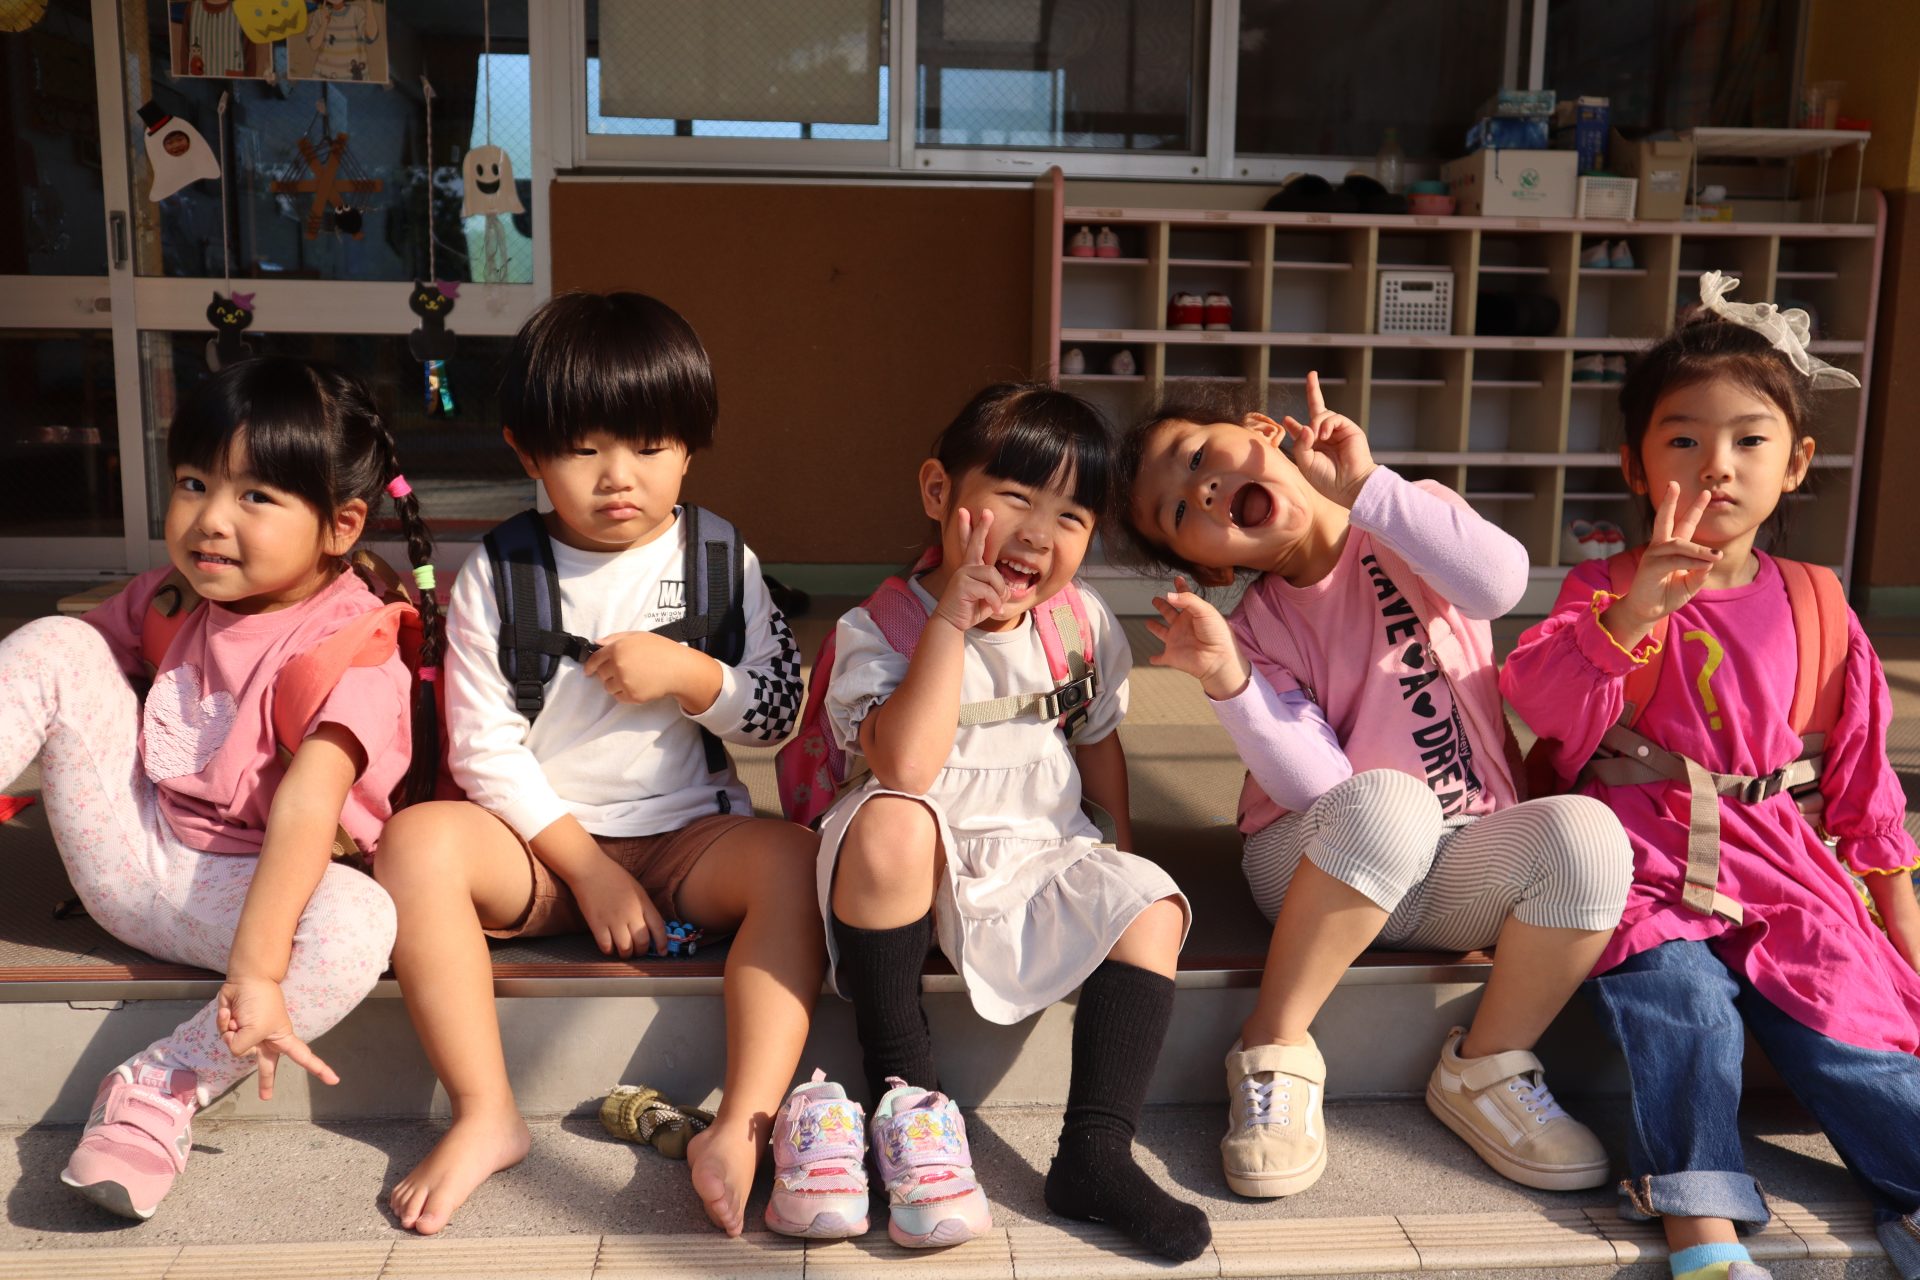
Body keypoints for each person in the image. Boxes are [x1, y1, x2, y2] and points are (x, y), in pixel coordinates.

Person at [1117, 372, 1631, 1198]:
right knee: (1391, 801)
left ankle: (1485, 1066)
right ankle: (1273, 1046)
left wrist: (1368, 488)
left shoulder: (1406, 515)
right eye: (1178, 512)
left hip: (1458, 860)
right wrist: (1229, 680)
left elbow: (1498, 583)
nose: (1203, 491)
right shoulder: (1255, 629)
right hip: (1317, 860)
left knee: (1588, 836)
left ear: (1265, 431)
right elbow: (1317, 784)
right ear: (1207, 567)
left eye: (1201, 456)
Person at [374, 291, 821, 1239]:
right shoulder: (501, 571)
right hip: (538, 850)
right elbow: (483, 748)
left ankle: (743, 1124)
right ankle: (486, 1113)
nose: (620, 477)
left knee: (796, 860)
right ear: (527, 452)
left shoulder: (720, 558)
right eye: (583, 450)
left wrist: (692, 675)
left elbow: (780, 713)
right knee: (414, 843)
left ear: (691, 447)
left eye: (651, 447)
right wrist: (587, 870)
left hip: (689, 840)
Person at [1502, 274, 1920, 1280]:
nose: (1717, 465)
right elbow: (1540, 698)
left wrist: (1903, 939)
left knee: (1858, 1031)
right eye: (1684, 438)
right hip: (1646, 869)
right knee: (1686, 1009)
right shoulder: (1603, 588)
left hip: (1788, 872)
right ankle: (1702, 1227)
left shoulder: (1818, 601)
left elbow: (1866, 790)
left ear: (1796, 463)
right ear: (1635, 463)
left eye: (1749, 440)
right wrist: (1635, 613)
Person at [2, 357, 435, 1220]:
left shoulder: (352, 649)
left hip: (251, 900)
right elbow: (56, 686)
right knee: (55, 644)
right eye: (194, 483)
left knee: (361, 921)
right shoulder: (173, 597)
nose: (210, 520)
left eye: (256, 496)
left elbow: (308, 809)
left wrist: (258, 971)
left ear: (341, 525)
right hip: (132, 849)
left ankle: (162, 1085)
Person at [796, 383, 1209, 1261]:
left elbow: (1097, 745)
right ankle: (908, 1101)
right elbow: (906, 768)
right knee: (895, 820)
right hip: (912, 863)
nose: (1038, 534)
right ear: (938, 491)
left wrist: (1119, 864)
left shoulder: (1078, 623)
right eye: (1016, 497)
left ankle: (1096, 1153)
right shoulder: (885, 625)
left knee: (1152, 903)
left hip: (1033, 851)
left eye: (1071, 517)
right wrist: (952, 621)